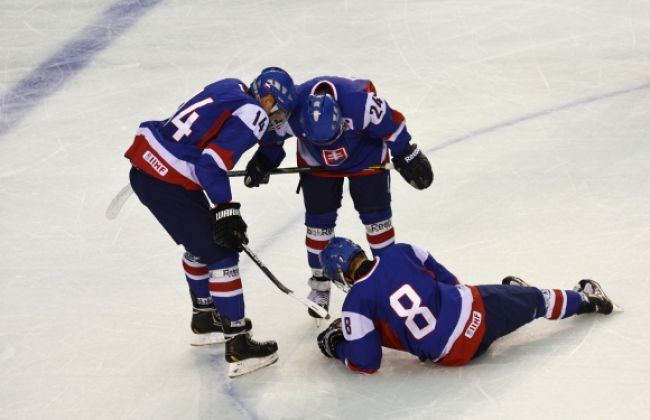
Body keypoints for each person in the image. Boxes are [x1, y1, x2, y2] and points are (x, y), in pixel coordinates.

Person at [123, 67, 296, 377]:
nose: (276, 116)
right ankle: (239, 344)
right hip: (170, 183)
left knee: (201, 246)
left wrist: (267, 154)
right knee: (223, 255)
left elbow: (198, 132)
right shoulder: (255, 112)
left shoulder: (231, 85)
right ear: (267, 99)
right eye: (277, 108)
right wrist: (227, 209)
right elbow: (210, 165)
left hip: (151, 169)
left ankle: (205, 319)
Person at [242, 76, 434, 319]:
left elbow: (393, 126)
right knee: (317, 227)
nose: (330, 149)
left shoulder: (360, 105)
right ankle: (320, 286)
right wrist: (265, 160)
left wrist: (407, 153)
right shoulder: (292, 108)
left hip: (366, 159)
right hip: (316, 165)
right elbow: (272, 139)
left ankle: (388, 280)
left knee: (377, 223)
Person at [315, 237, 616, 374]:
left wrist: (339, 347)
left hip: (453, 355)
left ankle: (513, 302)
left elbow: (365, 363)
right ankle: (588, 300)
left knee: (376, 326)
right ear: (358, 249)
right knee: (537, 299)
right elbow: (446, 275)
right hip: (478, 315)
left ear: (341, 277)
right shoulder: (399, 251)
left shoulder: (355, 303)